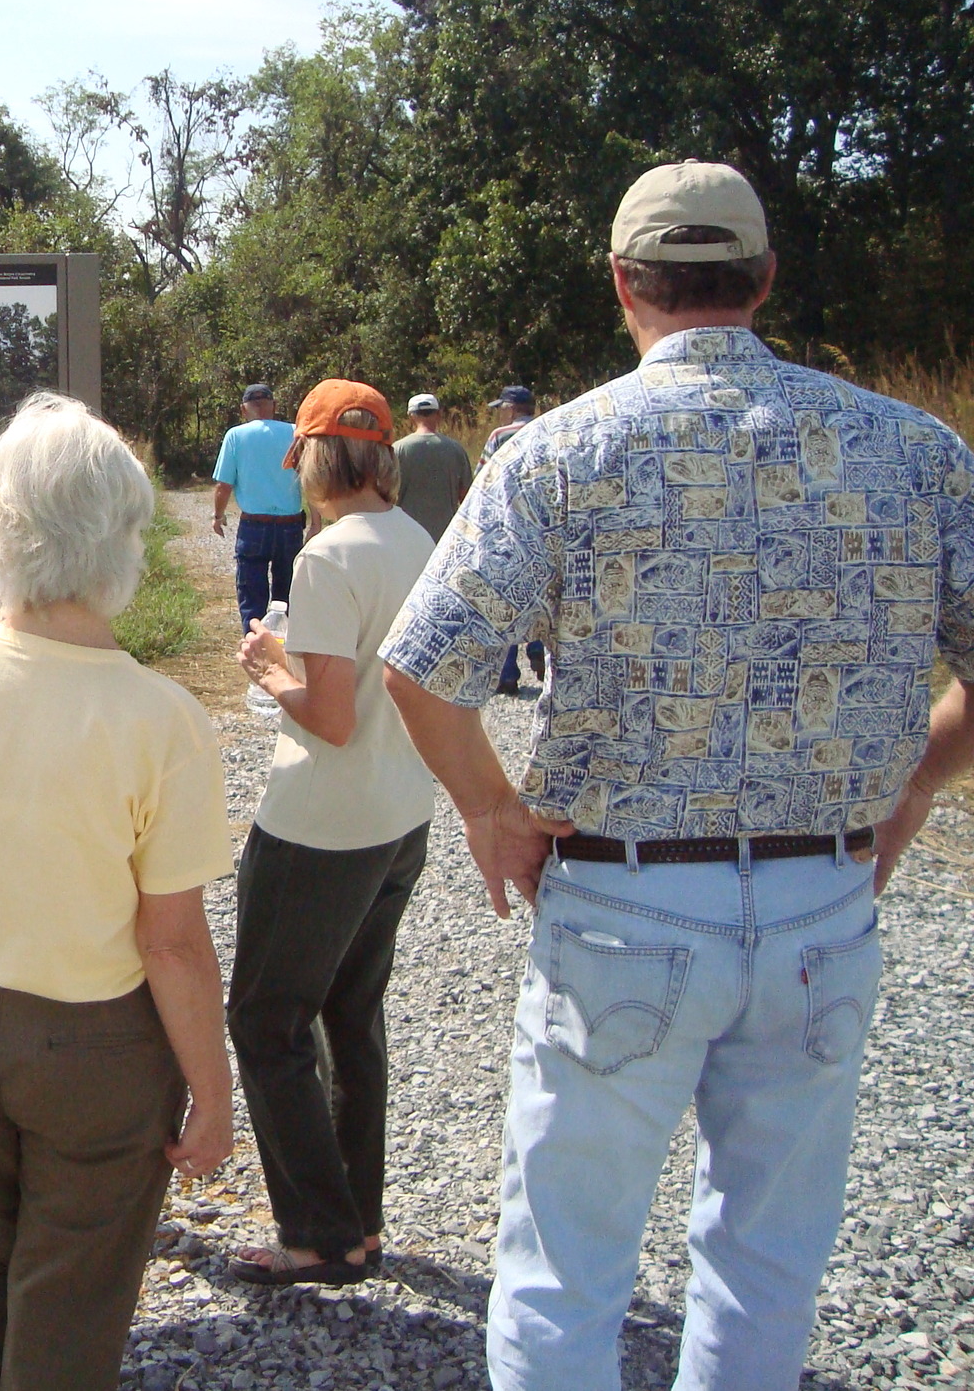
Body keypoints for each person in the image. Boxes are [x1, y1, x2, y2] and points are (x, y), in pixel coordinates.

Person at [381, 159, 974, 1391]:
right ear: (761, 279)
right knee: (768, 1259)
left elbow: (422, 668)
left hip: (619, 908)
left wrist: (492, 814)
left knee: (563, 1267)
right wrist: (910, 786)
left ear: (620, 285)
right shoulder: (912, 449)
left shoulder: (553, 454)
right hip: (822, 903)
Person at [0, 391, 236, 1391]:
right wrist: (211, 1087)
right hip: (93, 1046)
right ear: (124, 538)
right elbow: (170, 946)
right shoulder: (161, 720)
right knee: (69, 1284)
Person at [225, 379, 438, 1287]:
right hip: (401, 816)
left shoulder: (323, 559)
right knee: (352, 1014)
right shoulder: (416, 538)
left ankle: (317, 1235)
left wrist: (267, 669)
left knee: (267, 1023)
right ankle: (361, 1220)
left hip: (320, 826)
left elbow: (330, 718)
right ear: (382, 452)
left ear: (312, 458)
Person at [212, 383, 312, 632]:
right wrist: (317, 522)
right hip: (290, 525)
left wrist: (218, 516)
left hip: (254, 525)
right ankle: (286, 644)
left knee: (251, 590)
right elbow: (310, 479)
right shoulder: (295, 432)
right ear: (274, 406)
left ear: (243, 410)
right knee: (287, 590)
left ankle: (254, 641)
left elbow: (224, 485)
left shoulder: (235, 436)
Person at [482, 386, 546, 694]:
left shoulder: (499, 436)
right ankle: (538, 651)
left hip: (507, 528)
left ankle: (507, 674)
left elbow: (484, 480)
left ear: (511, 408)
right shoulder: (550, 427)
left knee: (507, 598)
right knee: (540, 591)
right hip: (543, 524)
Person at [393, 392, 473, 543]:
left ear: (411, 416)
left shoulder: (398, 449)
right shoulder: (456, 449)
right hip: (446, 535)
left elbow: (386, 496)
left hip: (407, 535)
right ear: (438, 414)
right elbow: (466, 497)